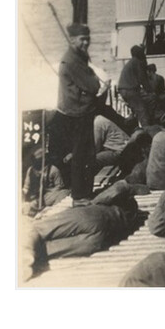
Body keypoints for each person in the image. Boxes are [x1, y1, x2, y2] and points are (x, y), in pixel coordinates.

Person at [57, 22, 108, 200]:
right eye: (82, 39)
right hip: (77, 113)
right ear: (72, 40)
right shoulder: (72, 61)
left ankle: (83, 193)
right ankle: (80, 195)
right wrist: (93, 78)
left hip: (80, 111)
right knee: (82, 155)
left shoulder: (78, 56)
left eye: (88, 39)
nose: (86, 42)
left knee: (85, 155)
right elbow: (93, 86)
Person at [118, 45, 154, 127]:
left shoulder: (132, 62)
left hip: (124, 89)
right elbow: (142, 78)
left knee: (136, 109)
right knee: (142, 110)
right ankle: (147, 129)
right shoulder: (137, 62)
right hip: (130, 89)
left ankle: (129, 125)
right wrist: (150, 90)